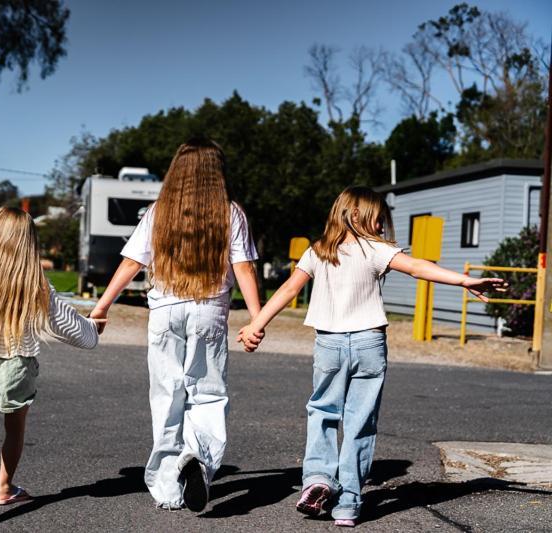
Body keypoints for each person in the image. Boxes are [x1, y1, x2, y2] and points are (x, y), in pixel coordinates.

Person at [237, 186, 506, 527]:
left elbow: (289, 289)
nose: (382, 228)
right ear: (357, 216)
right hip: (369, 345)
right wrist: (465, 280)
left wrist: (255, 325)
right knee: (360, 422)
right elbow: (418, 268)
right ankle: (348, 502)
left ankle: (318, 479)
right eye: (379, 220)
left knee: (322, 411)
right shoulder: (378, 250)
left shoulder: (318, 251)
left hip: (330, 345)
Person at [89, 138, 261, 512]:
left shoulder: (157, 212)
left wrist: (101, 308)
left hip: (165, 312)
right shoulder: (230, 213)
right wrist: (256, 319)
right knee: (208, 393)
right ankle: (198, 455)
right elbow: (244, 268)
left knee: (167, 395)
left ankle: (168, 488)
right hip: (209, 310)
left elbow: (131, 263)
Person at [0, 207, 102, 531]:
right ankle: (4, 488)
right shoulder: (35, 281)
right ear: (28, 241)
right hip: (17, 362)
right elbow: (67, 326)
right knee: (14, 430)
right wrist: (93, 330)